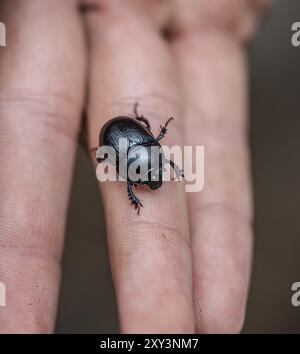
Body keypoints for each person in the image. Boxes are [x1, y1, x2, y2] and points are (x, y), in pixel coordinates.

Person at [0, 0, 271, 333]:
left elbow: (140, 169)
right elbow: (129, 175)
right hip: (122, 136)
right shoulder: (137, 165)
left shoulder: (148, 160)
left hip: (126, 138)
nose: (154, 179)